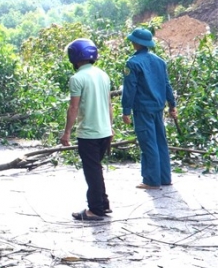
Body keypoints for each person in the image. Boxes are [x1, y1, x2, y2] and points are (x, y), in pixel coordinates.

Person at [60, 38, 113, 221]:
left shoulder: (77, 79)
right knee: (96, 169)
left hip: (88, 133)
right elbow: (109, 104)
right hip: (104, 131)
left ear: (74, 57)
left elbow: (73, 108)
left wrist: (67, 131)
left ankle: (95, 210)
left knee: (92, 172)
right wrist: (111, 128)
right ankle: (104, 204)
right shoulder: (103, 75)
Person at [121, 28, 177, 190]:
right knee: (161, 141)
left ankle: (151, 180)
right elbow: (167, 85)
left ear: (137, 43)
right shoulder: (160, 61)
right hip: (158, 108)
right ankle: (165, 178)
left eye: (133, 41)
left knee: (148, 143)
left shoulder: (132, 63)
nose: (131, 43)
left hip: (143, 109)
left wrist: (126, 111)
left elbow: (130, 89)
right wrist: (172, 105)